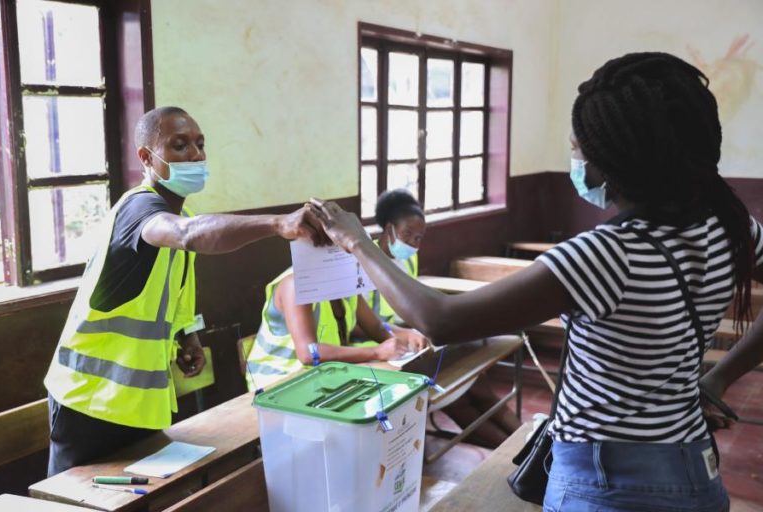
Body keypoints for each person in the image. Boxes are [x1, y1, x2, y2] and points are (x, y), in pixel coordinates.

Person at [310, 52, 763, 511]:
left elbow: (438, 319)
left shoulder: (606, 254)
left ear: (611, 161)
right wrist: (718, 379)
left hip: (607, 480)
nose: (575, 159)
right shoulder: (729, 224)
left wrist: (356, 241)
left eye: (577, 147)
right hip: (693, 466)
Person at [43, 106, 325, 476]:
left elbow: (173, 295)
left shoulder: (183, 220)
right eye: (179, 146)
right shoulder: (140, 209)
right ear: (146, 157)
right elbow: (187, 235)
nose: (195, 154)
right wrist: (277, 223)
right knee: (75, 501)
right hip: (89, 401)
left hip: (135, 403)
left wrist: (186, 335)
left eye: (200, 144)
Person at [365, 189, 520, 447]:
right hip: (383, 349)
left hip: (410, 340)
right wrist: (404, 333)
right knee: (460, 398)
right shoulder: (365, 261)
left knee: (477, 385)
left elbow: (411, 306)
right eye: (407, 235)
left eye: (419, 238)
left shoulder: (408, 260)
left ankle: (528, 445)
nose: (413, 244)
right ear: (389, 228)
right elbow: (366, 325)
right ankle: (514, 453)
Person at [245, 267, 428, 390]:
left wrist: (402, 335)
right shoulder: (295, 285)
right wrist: (376, 352)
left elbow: (375, 326)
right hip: (280, 381)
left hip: (320, 373)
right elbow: (309, 354)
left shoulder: (344, 282)